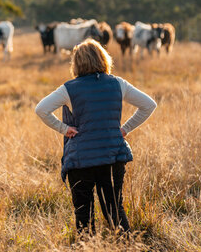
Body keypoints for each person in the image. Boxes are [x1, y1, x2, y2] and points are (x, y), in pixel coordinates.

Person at [35, 38, 156, 236]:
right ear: (103, 58)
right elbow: (149, 105)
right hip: (112, 157)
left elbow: (41, 109)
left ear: (76, 63)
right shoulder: (118, 84)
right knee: (115, 211)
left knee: (83, 216)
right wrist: (124, 129)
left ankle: (88, 247)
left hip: (81, 160)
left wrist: (63, 128)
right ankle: (127, 247)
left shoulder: (69, 88)